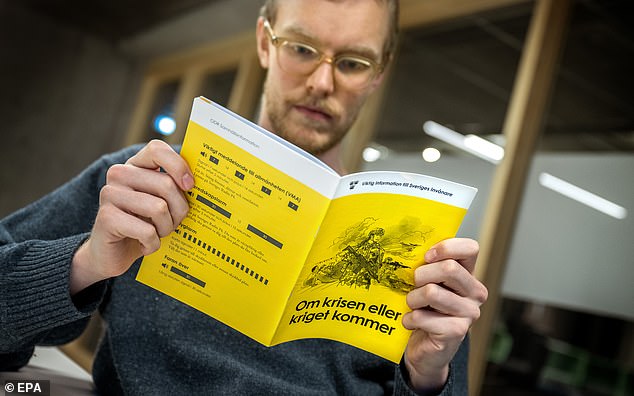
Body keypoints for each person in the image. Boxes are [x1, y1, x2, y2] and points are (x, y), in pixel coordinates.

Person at [0, 0, 488, 394]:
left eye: (354, 63)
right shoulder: (145, 181)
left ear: (379, 72)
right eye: (301, 49)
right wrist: (85, 261)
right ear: (264, 42)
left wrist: (426, 379)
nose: (322, 82)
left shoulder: (423, 250)